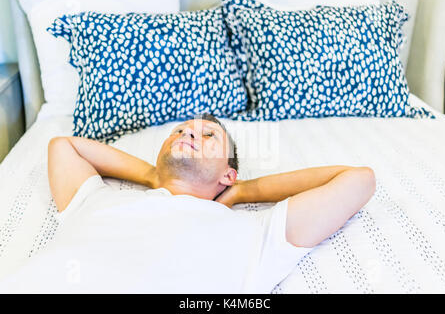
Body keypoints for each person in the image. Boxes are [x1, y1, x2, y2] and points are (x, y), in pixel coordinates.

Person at [2, 113, 376, 293]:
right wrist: (154, 177)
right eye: (180, 131)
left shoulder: (258, 232)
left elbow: (358, 180)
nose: (188, 133)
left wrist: (244, 192)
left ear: (228, 174)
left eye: (208, 135)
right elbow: (63, 145)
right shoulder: (98, 200)